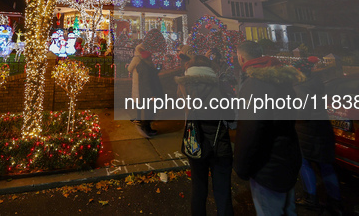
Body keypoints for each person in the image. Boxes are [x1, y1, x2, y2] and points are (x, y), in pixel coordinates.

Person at [234, 41, 303, 216]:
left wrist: (241, 167)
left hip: (267, 168)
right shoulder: (282, 81)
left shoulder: (255, 85)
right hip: (287, 158)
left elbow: (250, 132)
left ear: (241, 57)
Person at [175, 55, 234, 216]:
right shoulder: (221, 85)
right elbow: (232, 118)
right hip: (219, 140)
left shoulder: (183, 85)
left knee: (198, 187)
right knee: (222, 191)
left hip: (195, 139)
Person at [293, 57, 343, 215]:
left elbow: (302, 112)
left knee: (304, 163)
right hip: (322, 127)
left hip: (307, 130)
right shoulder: (317, 82)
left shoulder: (300, 87)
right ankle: (335, 202)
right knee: (326, 165)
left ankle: (310, 198)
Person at [128, 44, 162, 137]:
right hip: (143, 88)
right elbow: (147, 80)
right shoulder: (143, 63)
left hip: (142, 87)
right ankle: (144, 126)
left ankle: (142, 123)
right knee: (147, 108)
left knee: (143, 105)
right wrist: (152, 94)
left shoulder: (143, 62)